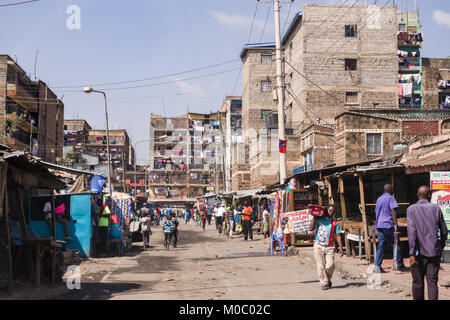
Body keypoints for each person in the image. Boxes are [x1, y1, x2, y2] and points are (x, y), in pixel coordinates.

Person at [407, 186, 448, 300]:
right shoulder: (436, 208)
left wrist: (411, 253)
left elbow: (412, 232)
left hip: (417, 253)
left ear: (417, 195)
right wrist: (441, 245)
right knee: (432, 283)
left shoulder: (411, 209)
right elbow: (444, 231)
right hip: (433, 252)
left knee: (417, 284)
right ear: (429, 195)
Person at [309, 207, 344, 290]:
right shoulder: (319, 220)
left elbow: (338, 236)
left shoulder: (335, 223)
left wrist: (341, 248)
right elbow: (311, 228)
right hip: (318, 245)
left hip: (330, 246)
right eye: (330, 210)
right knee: (320, 265)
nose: (331, 212)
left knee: (330, 265)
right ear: (326, 211)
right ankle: (324, 283)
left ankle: (327, 279)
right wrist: (314, 217)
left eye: (333, 211)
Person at [374, 184, 407, 272]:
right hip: (388, 224)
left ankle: (377, 266)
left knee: (381, 246)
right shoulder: (391, 198)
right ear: (391, 190)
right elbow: (393, 210)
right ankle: (399, 265)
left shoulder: (379, 199)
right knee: (396, 245)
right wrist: (396, 224)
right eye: (393, 189)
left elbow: (376, 212)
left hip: (380, 225)